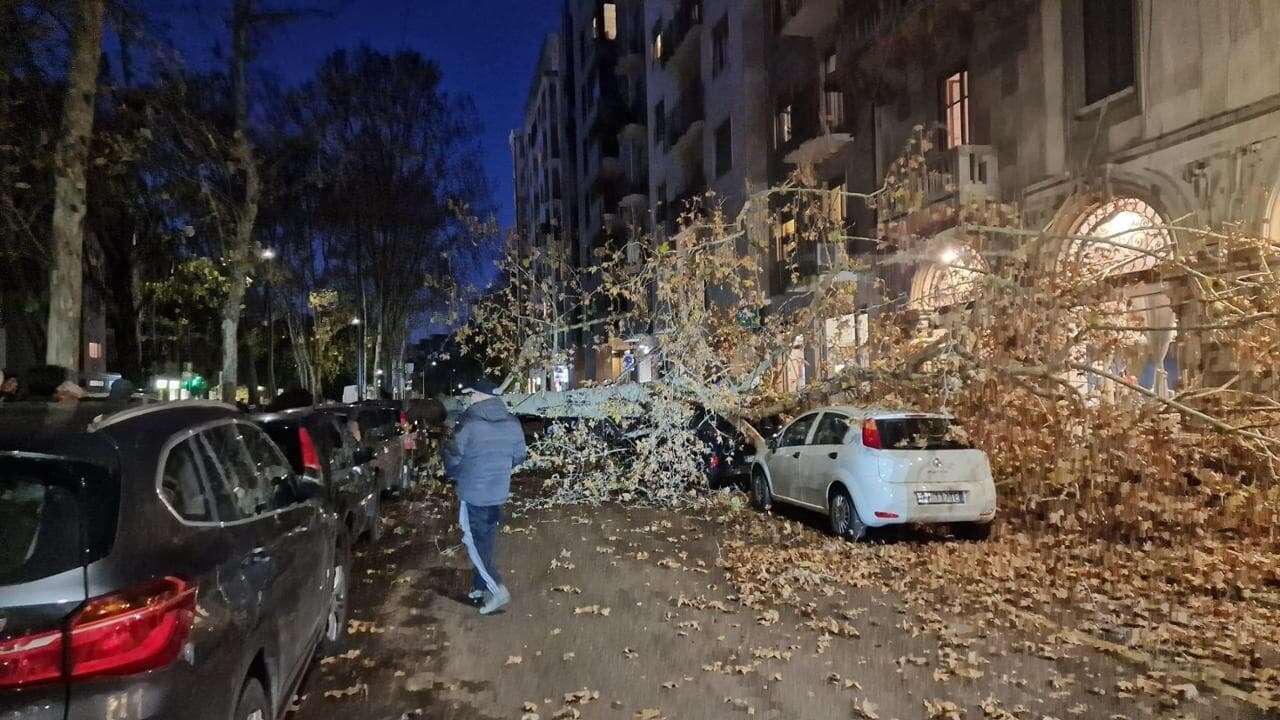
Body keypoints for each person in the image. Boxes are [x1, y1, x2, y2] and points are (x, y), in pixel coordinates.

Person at [442, 378, 526, 615]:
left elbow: (454, 455)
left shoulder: (469, 423)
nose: (470, 398)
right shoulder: (512, 422)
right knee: (486, 540)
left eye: (472, 394)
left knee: (472, 541)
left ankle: (497, 588)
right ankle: (479, 587)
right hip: (498, 490)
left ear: (480, 396)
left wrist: (453, 471)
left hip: (473, 492)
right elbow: (519, 456)